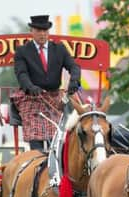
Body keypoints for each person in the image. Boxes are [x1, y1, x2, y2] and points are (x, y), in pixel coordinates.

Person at [13, 14, 81, 152]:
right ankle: (37, 162)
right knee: (35, 138)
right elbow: (21, 74)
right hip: (31, 99)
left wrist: (74, 81)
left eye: (45, 31)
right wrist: (30, 87)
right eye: (38, 31)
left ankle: (54, 168)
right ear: (32, 32)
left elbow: (74, 67)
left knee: (56, 140)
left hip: (54, 99)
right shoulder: (22, 51)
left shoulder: (59, 49)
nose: (42, 34)